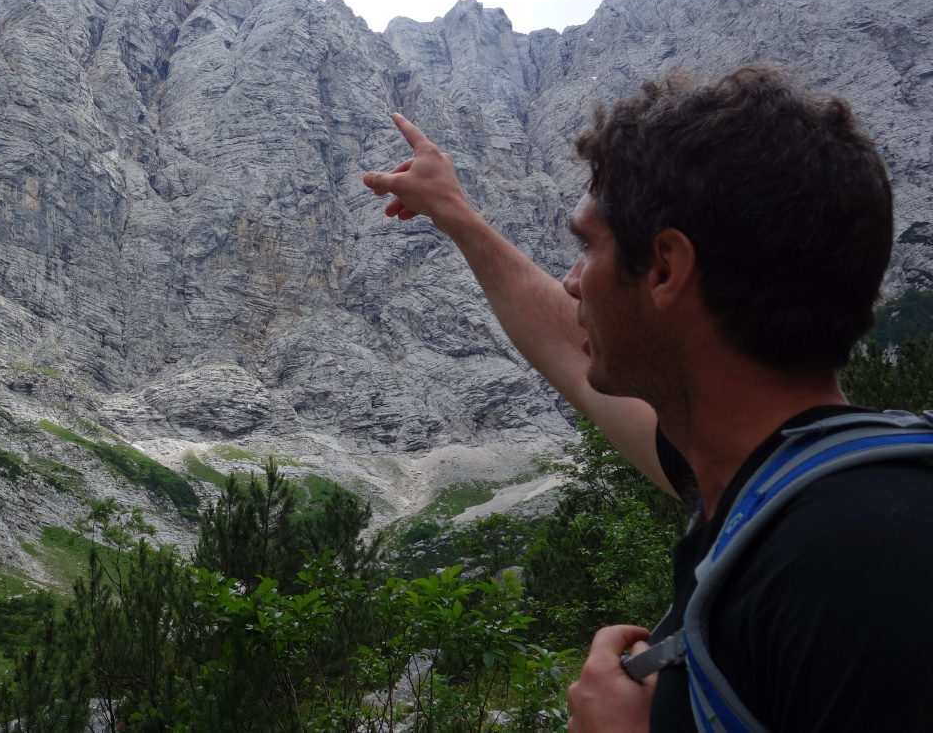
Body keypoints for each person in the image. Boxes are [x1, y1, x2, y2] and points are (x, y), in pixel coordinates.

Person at [361, 67, 933, 732]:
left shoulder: (860, 567)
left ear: (664, 268)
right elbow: (574, 359)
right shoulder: (778, 484)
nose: (572, 283)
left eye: (586, 246)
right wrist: (456, 214)